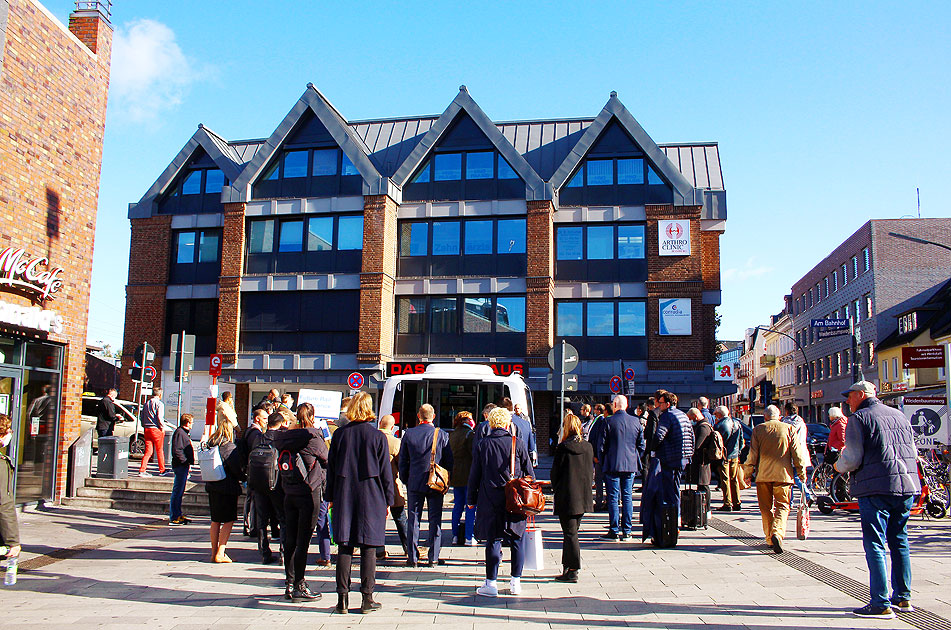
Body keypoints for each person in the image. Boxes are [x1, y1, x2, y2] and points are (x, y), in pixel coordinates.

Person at [834, 381, 920, 619]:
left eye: (850, 396)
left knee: (875, 543)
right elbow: (911, 451)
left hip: (875, 487)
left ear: (861, 395)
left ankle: (880, 603)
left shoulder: (859, 418)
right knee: (900, 540)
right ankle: (903, 597)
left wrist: (837, 465)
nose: (847, 401)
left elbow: (852, 458)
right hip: (906, 486)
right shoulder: (899, 415)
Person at [327, 391, 394, 614]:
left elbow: (332, 469)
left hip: (344, 493)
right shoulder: (377, 436)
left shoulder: (339, 435)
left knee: (345, 546)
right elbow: (386, 472)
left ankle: (342, 599)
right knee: (368, 546)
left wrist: (330, 497)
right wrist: (388, 499)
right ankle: (367, 598)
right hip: (371, 494)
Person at [468, 407, 534, 597]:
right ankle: (516, 582)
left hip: (490, 498)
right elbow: (530, 474)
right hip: (515, 500)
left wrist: (471, 499)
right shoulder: (518, 444)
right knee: (516, 540)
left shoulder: (482, 445)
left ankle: (491, 583)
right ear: (507, 423)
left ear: (491, 423)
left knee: (493, 540)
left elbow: (475, 475)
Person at [273, 402, 328, 602]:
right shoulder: (313, 437)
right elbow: (327, 459)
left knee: (290, 539)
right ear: (312, 416)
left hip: (289, 491)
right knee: (303, 541)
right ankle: (300, 585)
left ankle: (289, 582)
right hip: (308, 492)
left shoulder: (286, 437)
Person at [745, 404, 807, 554]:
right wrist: (801, 472)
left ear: (765, 417)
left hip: (763, 475)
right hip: (783, 475)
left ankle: (768, 538)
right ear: (779, 416)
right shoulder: (789, 429)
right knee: (783, 506)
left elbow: (752, 455)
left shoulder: (758, 430)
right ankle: (777, 533)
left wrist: (747, 473)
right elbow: (797, 454)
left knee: (765, 508)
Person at [399, 403, 452, 567]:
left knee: (413, 519)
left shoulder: (409, 434)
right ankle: (433, 557)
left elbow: (403, 461)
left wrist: (406, 479)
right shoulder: (441, 434)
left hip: (414, 481)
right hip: (435, 482)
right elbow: (449, 461)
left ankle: (413, 558)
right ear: (433, 417)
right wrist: (445, 480)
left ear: (418, 416)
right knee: (435, 519)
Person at [641, 390, 693, 545]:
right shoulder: (682, 415)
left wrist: (652, 450)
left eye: (661, 403)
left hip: (670, 458)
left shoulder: (667, 416)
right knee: (675, 490)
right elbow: (692, 435)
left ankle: (669, 523)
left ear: (667, 404)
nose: (659, 405)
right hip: (682, 457)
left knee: (668, 494)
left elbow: (659, 436)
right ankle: (674, 520)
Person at [551, 412, 593, 583]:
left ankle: (573, 569)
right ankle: (567, 567)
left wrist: (556, 489)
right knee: (572, 532)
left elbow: (555, 474)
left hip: (567, 496)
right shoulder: (588, 447)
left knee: (570, 533)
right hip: (582, 496)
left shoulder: (562, 448)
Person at [598, 395, 645, 541]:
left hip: (612, 464)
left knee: (612, 497)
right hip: (630, 465)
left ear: (615, 405)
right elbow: (641, 445)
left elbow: (601, 446)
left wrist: (603, 460)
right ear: (625, 405)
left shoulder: (608, 421)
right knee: (627, 497)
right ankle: (627, 530)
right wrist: (635, 458)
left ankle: (614, 530)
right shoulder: (636, 421)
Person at [204, 419, 246, 563]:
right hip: (227, 487)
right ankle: (221, 552)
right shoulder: (229, 447)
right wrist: (244, 477)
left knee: (215, 520)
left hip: (212, 485)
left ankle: (213, 551)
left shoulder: (211, 443)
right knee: (228, 520)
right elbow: (236, 468)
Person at [245, 407, 279, 564]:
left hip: (258, 483)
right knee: (282, 519)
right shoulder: (280, 438)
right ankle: (284, 551)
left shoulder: (258, 438)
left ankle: (264, 551)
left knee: (261, 521)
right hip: (276, 483)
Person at [378, 414, 409, 557]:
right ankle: (408, 548)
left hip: (374, 486)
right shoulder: (396, 442)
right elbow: (401, 465)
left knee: (376, 518)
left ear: (379, 424)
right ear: (392, 427)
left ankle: (378, 549)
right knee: (400, 517)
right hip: (392, 483)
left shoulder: (372, 438)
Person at [448, 411, 476, 547]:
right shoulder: (469, 434)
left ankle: (454, 535)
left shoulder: (452, 434)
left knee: (457, 506)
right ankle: (468, 536)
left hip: (455, 475)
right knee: (470, 505)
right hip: (468, 475)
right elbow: (474, 454)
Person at [713, 406, 744, 511]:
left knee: (725, 479)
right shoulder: (737, 423)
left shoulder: (719, 425)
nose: (715, 417)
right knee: (734, 478)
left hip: (725, 456)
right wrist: (738, 452)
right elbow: (741, 440)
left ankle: (728, 503)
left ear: (719, 415)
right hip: (734, 455)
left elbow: (717, 443)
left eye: (716, 414)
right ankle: (737, 502)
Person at [782, 402, 813, 505]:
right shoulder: (801, 421)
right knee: (799, 476)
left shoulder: (784, 422)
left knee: (790, 478)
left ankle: (793, 500)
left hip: (789, 454)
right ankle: (806, 496)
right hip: (802, 451)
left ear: (786, 411)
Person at [0, 414, 21, 561]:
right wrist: (12, 541)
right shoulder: (1, 464)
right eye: (8, 430)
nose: (10, 434)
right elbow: (3, 502)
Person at [687, 407, 714, 516]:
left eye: (691, 418)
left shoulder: (703, 428)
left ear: (695, 416)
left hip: (702, 461)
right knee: (702, 485)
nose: (690, 421)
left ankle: (706, 508)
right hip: (702, 460)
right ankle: (704, 508)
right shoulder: (703, 425)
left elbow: (697, 445)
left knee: (704, 485)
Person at [169, 413, 194, 525]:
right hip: (180, 466)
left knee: (180, 491)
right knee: (178, 491)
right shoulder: (180, 433)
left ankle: (177, 513)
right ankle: (174, 515)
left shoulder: (183, 433)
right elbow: (177, 450)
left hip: (183, 465)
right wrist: (185, 461)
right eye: (192, 422)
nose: (192, 424)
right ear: (187, 422)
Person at [138, 388, 166, 477]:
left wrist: (144, 425)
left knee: (148, 451)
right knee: (159, 450)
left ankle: (142, 469)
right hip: (156, 429)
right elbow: (159, 417)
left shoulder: (146, 404)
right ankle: (162, 470)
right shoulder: (159, 404)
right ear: (160, 395)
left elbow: (141, 416)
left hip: (147, 429)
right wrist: (162, 427)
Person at [587, 403, 608, 511]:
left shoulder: (601, 421)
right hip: (597, 455)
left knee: (599, 479)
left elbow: (597, 439)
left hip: (598, 456)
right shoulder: (597, 420)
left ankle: (599, 501)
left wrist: (595, 455)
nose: (593, 411)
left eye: (595, 409)